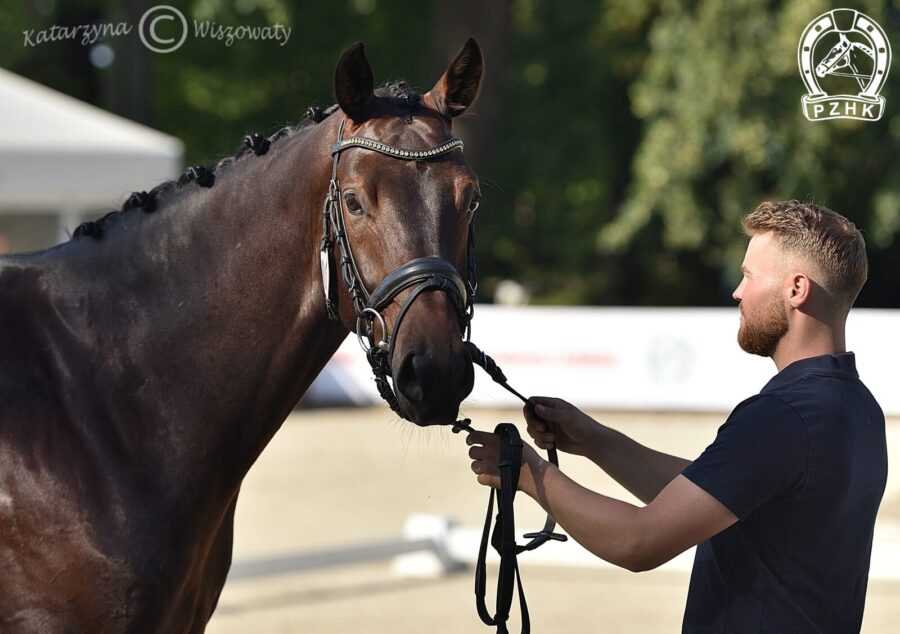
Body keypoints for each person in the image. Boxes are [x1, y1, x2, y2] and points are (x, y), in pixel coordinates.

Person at [467, 200, 887, 633]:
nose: (737, 292)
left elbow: (639, 542)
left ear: (796, 289)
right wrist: (594, 440)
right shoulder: (858, 408)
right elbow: (715, 495)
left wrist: (525, 471)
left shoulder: (782, 416)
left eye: (748, 276)